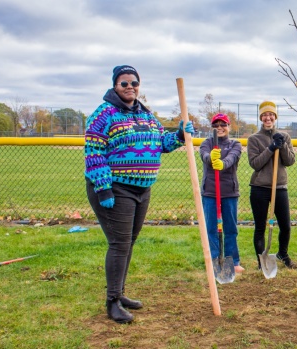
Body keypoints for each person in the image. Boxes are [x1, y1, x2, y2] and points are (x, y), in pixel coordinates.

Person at [85, 65, 194, 324]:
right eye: (124, 83)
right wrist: (104, 189)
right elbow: (93, 153)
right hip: (115, 188)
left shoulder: (146, 115)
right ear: (115, 86)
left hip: (142, 189)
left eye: (134, 82)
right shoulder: (104, 114)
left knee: (128, 242)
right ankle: (112, 301)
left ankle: (119, 294)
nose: (130, 86)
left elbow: (162, 143)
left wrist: (179, 134)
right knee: (119, 244)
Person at [247, 100, 297, 269]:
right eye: (264, 115)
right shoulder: (254, 139)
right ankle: (261, 261)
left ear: (275, 117)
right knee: (260, 226)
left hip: (279, 187)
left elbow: (290, 161)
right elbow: (255, 164)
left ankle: (282, 253)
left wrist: (281, 145)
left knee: (285, 225)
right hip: (260, 188)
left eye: (271, 115)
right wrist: (270, 148)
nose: (268, 118)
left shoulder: (285, 136)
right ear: (261, 117)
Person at [199, 113, 244, 274]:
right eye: (216, 125)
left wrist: (222, 164)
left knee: (230, 228)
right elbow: (204, 156)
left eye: (223, 125)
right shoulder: (206, 143)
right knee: (211, 227)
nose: (219, 128)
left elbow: (232, 158)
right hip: (210, 192)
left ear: (229, 127)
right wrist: (211, 157)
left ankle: (233, 261)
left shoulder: (235, 144)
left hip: (229, 192)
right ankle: (214, 259)